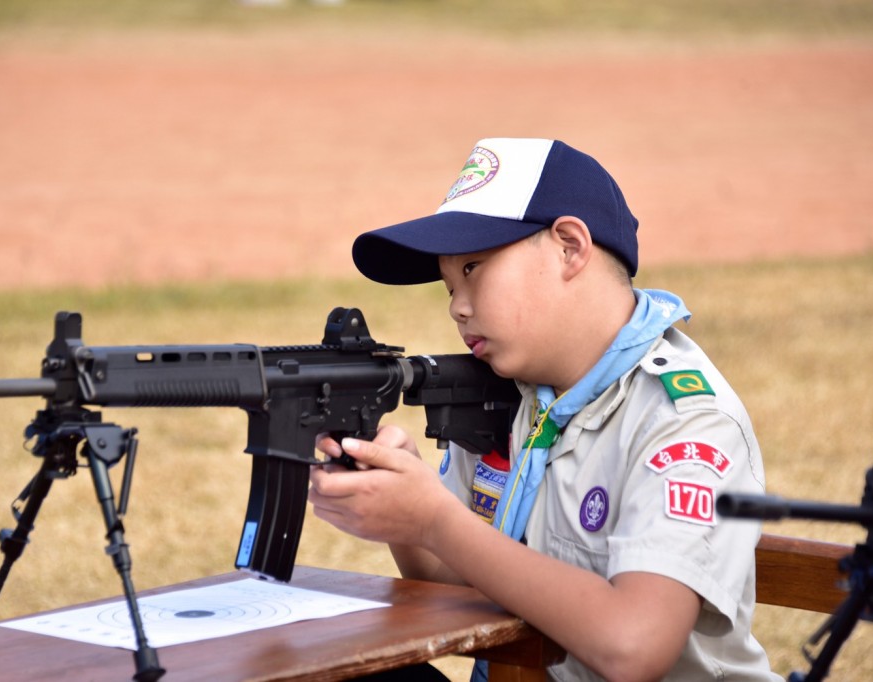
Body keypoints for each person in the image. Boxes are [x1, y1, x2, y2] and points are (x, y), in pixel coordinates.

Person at [309, 138, 780, 681]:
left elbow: (635, 646)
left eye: (474, 269)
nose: (457, 306)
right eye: (447, 284)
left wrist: (435, 521)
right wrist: (404, 508)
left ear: (569, 248)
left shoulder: (684, 421)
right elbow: (456, 591)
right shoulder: (512, 399)